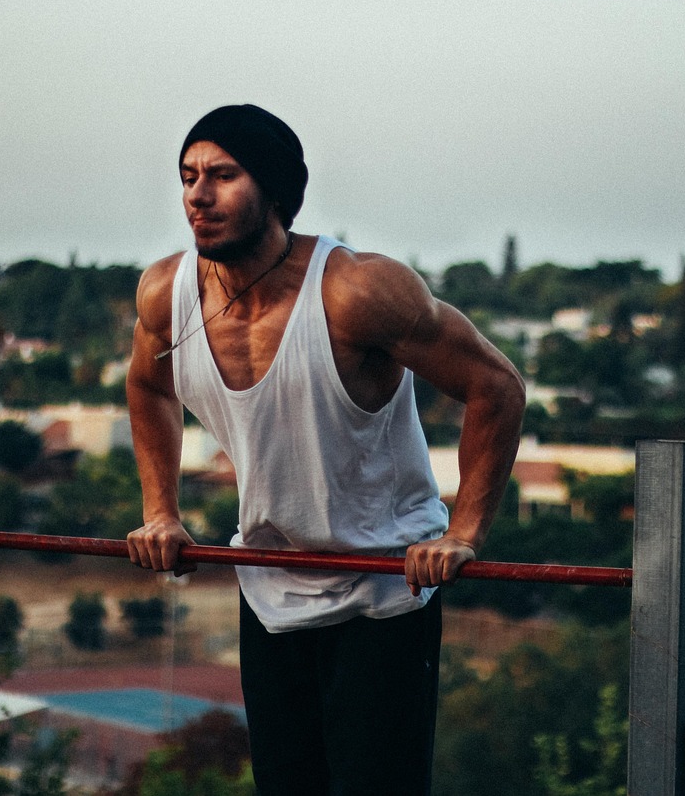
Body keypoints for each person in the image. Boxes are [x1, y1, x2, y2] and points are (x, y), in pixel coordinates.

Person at [126, 104, 526, 795]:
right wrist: (160, 510)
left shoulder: (356, 291)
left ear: (275, 191)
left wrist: (463, 531)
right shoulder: (166, 294)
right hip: (270, 581)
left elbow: (496, 386)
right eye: (188, 176)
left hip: (385, 585)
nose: (197, 194)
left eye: (223, 175)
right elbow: (146, 385)